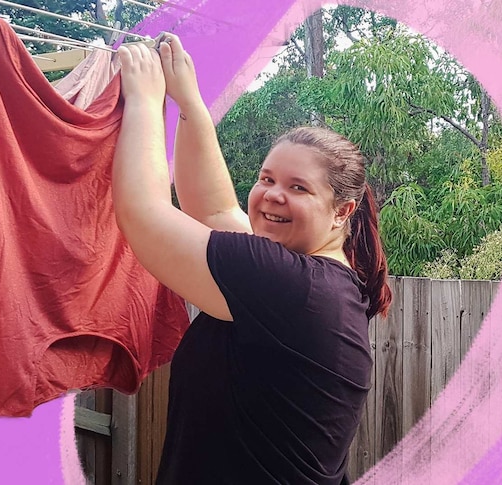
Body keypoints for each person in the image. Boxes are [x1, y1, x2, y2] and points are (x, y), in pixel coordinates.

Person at [113, 33, 392, 485]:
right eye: (266, 178)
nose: (271, 196)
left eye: (298, 187)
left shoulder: (295, 289)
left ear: (342, 210)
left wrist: (144, 101)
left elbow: (143, 214)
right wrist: (188, 103)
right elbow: (216, 210)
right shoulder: (319, 284)